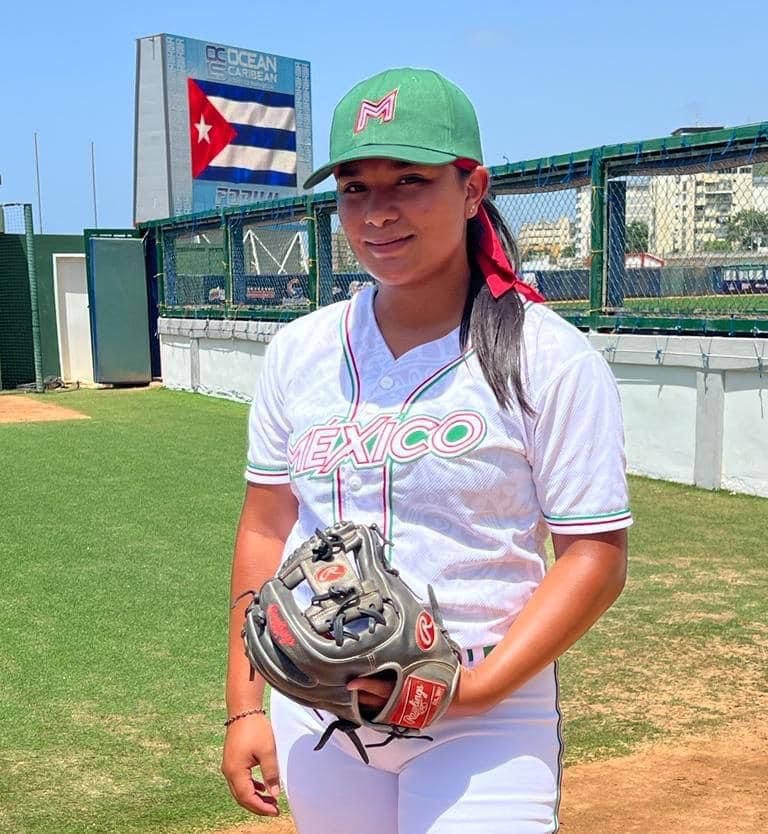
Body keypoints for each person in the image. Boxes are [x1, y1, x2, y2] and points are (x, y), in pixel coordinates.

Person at [221, 67, 631, 834]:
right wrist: (245, 705)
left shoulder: (549, 357)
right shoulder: (298, 353)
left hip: (486, 705)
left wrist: (469, 693)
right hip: (317, 700)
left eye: (410, 180)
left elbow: (594, 555)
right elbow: (266, 529)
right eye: (354, 187)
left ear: (473, 189)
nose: (378, 212)